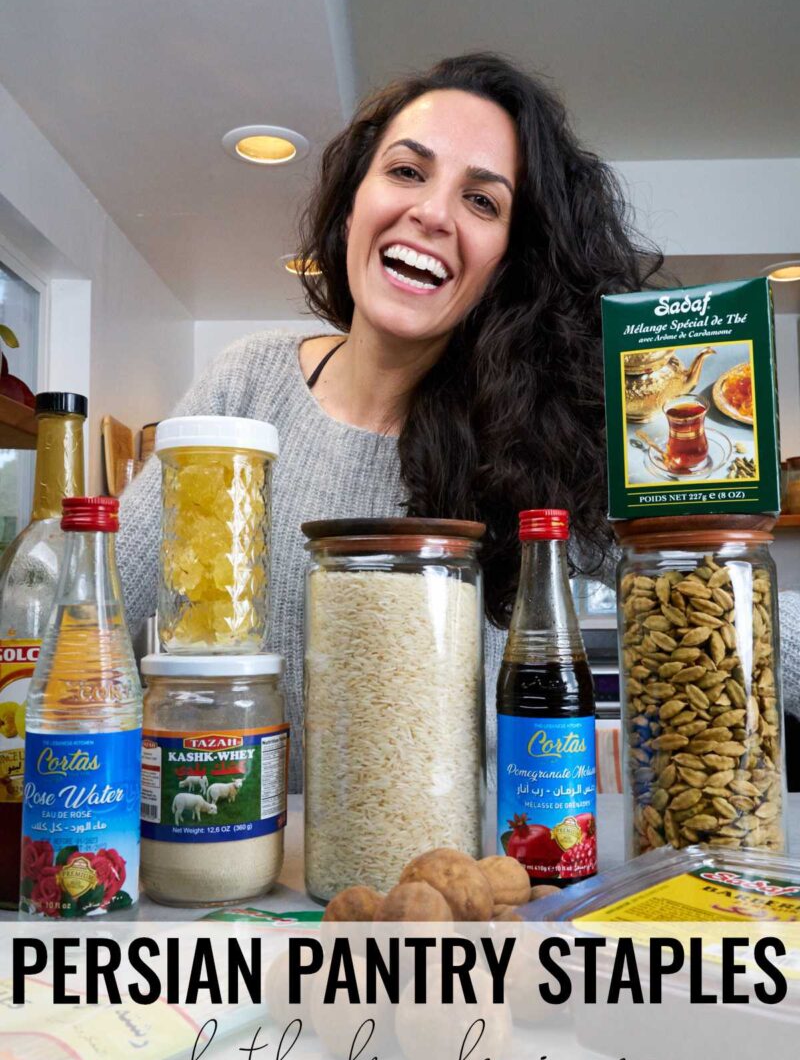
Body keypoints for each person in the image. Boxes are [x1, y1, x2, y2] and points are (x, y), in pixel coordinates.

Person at [118, 52, 800, 791]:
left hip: (448, 878)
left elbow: (717, 600)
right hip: (239, 869)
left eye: (483, 202)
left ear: (509, 261)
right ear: (353, 203)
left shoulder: (543, 436)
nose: (434, 213)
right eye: (408, 171)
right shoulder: (245, 383)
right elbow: (97, 609)